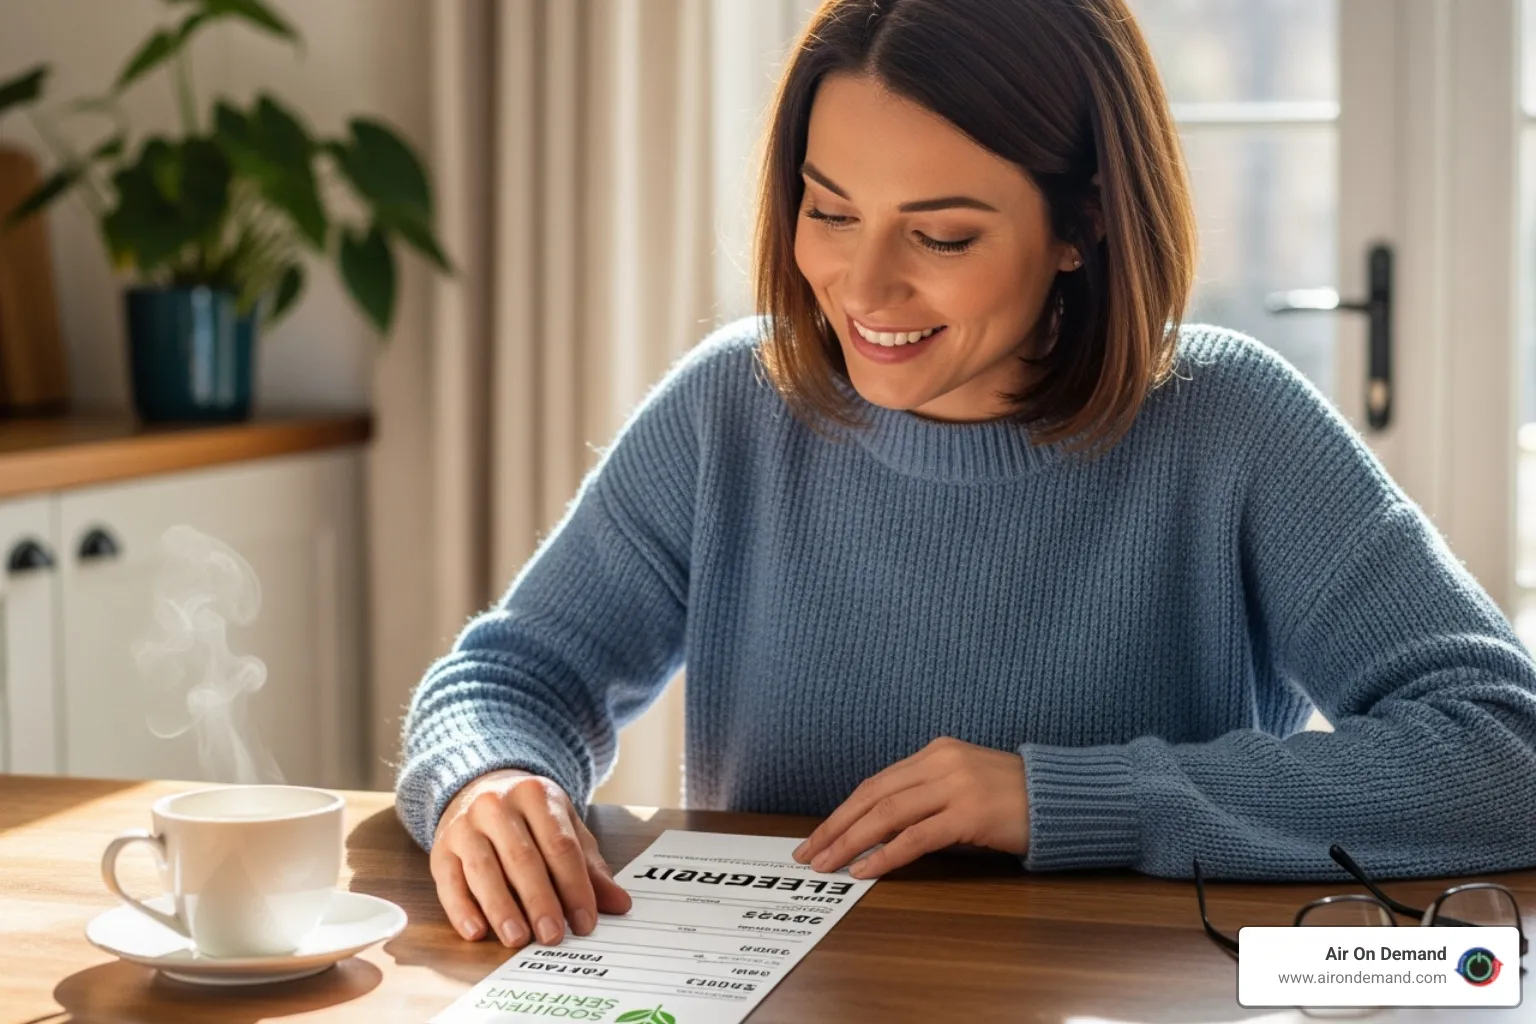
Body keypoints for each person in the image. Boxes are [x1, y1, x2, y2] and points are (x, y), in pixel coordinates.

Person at [396, 0, 1536, 951]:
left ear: (1084, 222)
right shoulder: (730, 408)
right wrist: (489, 779)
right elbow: (509, 682)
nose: (863, 288)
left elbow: (1505, 753)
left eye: (940, 237)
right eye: (829, 211)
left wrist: (1064, 799)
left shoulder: (1231, 423)